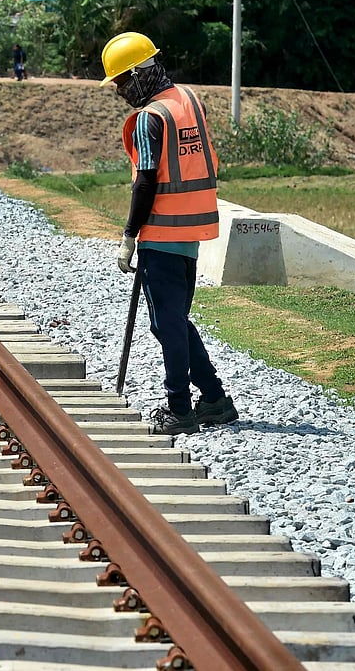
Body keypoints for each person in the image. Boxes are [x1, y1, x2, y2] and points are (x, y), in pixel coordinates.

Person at [101, 32, 238, 435]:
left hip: (161, 233)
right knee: (171, 321)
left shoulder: (150, 118)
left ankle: (179, 409)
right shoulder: (188, 100)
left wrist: (129, 235)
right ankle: (214, 398)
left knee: (168, 324)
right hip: (191, 231)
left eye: (124, 82)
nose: (122, 91)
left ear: (142, 72)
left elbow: (145, 182)